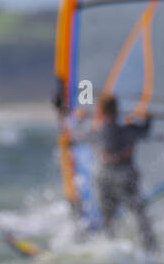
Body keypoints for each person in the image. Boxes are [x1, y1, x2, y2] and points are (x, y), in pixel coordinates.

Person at [67, 93, 157, 252]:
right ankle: (152, 250)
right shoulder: (129, 130)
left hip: (104, 180)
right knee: (139, 216)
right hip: (126, 178)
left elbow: (75, 135)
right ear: (117, 111)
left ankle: (112, 250)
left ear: (99, 112)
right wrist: (148, 118)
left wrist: (79, 120)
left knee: (109, 220)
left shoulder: (95, 132)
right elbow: (145, 130)